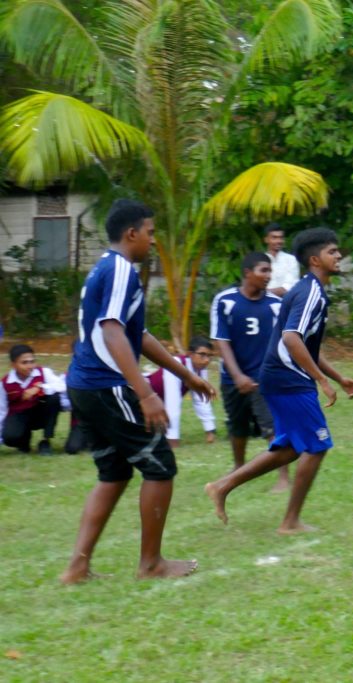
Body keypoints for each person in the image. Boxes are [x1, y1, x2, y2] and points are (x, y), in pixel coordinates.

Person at [60, 199, 216, 584]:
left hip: (83, 385)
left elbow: (138, 336)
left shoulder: (109, 268)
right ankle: (151, 565)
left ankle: (77, 567)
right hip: (105, 385)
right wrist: (145, 393)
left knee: (113, 474)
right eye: (150, 232)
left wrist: (187, 375)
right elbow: (113, 330)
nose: (153, 239)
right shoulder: (119, 270)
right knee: (160, 466)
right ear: (132, 234)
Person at [205, 228, 353, 534]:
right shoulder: (311, 293)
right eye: (332, 252)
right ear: (315, 259)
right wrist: (320, 381)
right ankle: (290, 522)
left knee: (291, 447)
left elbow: (306, 345)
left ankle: (223, 486)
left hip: (280, 376)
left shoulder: (306, 289)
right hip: (288, 378)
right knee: (317, 445)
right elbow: (291, 339)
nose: (339, 255)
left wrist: (338, 377)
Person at [209, 252, 287, 489]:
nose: (268, 276)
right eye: (263, 270)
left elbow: (284, 340)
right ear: (247, 273)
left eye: (270, 271)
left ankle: (283, 477)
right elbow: (221, 341)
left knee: (272, 427)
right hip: (233, 378)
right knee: (237, 426)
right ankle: (239, 467)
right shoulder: (225, 301)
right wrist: (237, 376)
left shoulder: (276, 305)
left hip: (265, 379)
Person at [144, 335, 217, 448]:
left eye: (209, 356)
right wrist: (173, 439)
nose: (206, 360)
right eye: (202, 355)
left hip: (156, 405)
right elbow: (172, 403)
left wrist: (210, 430)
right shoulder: (177, 363)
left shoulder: (201, 370)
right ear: (190, 354)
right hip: (140, 396)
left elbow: (201, 400)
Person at [0, 344, 65, 454]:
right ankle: (24, 442)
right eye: (24, 363)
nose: (30, 366)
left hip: (39, 413)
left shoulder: (43, 372)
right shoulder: (5, 383)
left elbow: (62, 386)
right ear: (13, 365)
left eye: (32, 361)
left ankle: (45, 441)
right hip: (19, 415)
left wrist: (40, 387)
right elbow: (1, 411)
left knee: (54, 397)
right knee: (10, 437)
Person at [264, 222, 300, 297]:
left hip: (285, 304)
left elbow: (290, 287)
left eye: (281, 238)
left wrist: (263, 293)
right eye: (274, 237)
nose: (279, 241)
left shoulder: (291, 260)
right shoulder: (260, 260)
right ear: (266, 240)